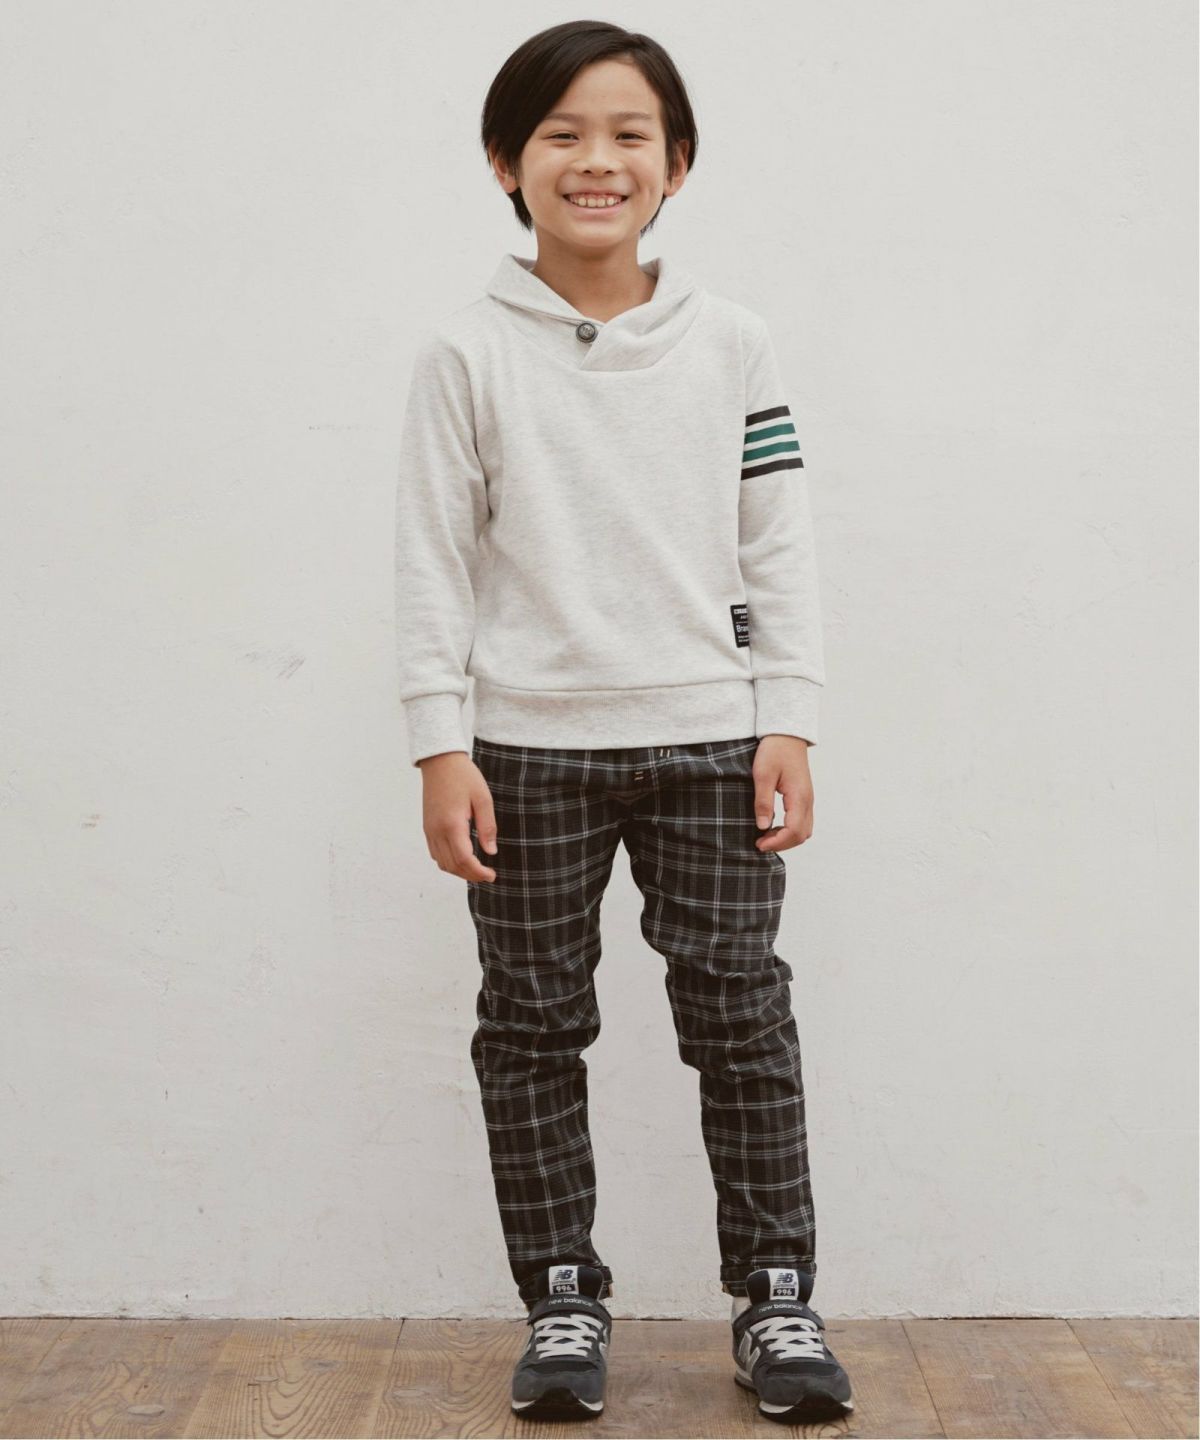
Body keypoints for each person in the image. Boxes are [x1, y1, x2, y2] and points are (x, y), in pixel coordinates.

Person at [394, 18, 854, 1426]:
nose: (597, 160)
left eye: (628, 135)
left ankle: (775, 1297)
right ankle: (562, 1299)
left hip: (711, 740)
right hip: (524, 750)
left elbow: (777, 537)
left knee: (740, 1015)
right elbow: (432, 558)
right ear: (505, 163)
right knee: (532, 1024)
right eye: (562, 135)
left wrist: (790, 715)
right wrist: (440, 741)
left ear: (677, 163)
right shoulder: (465, 353)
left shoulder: (733, 344)